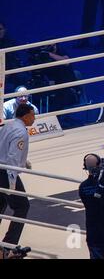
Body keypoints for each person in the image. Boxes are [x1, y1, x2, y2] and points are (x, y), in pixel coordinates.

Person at [0, 104, 35, 246]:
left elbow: (5, 147)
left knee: (1, 204)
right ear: (25, 116)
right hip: (7, 173)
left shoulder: (8, 126)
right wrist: (12, 183)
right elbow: (13, 157)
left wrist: (23, 161)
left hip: (2, 168)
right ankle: (9, 243)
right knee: (22, 206)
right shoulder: (20, 132)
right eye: (33, 115)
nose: (34, 118)